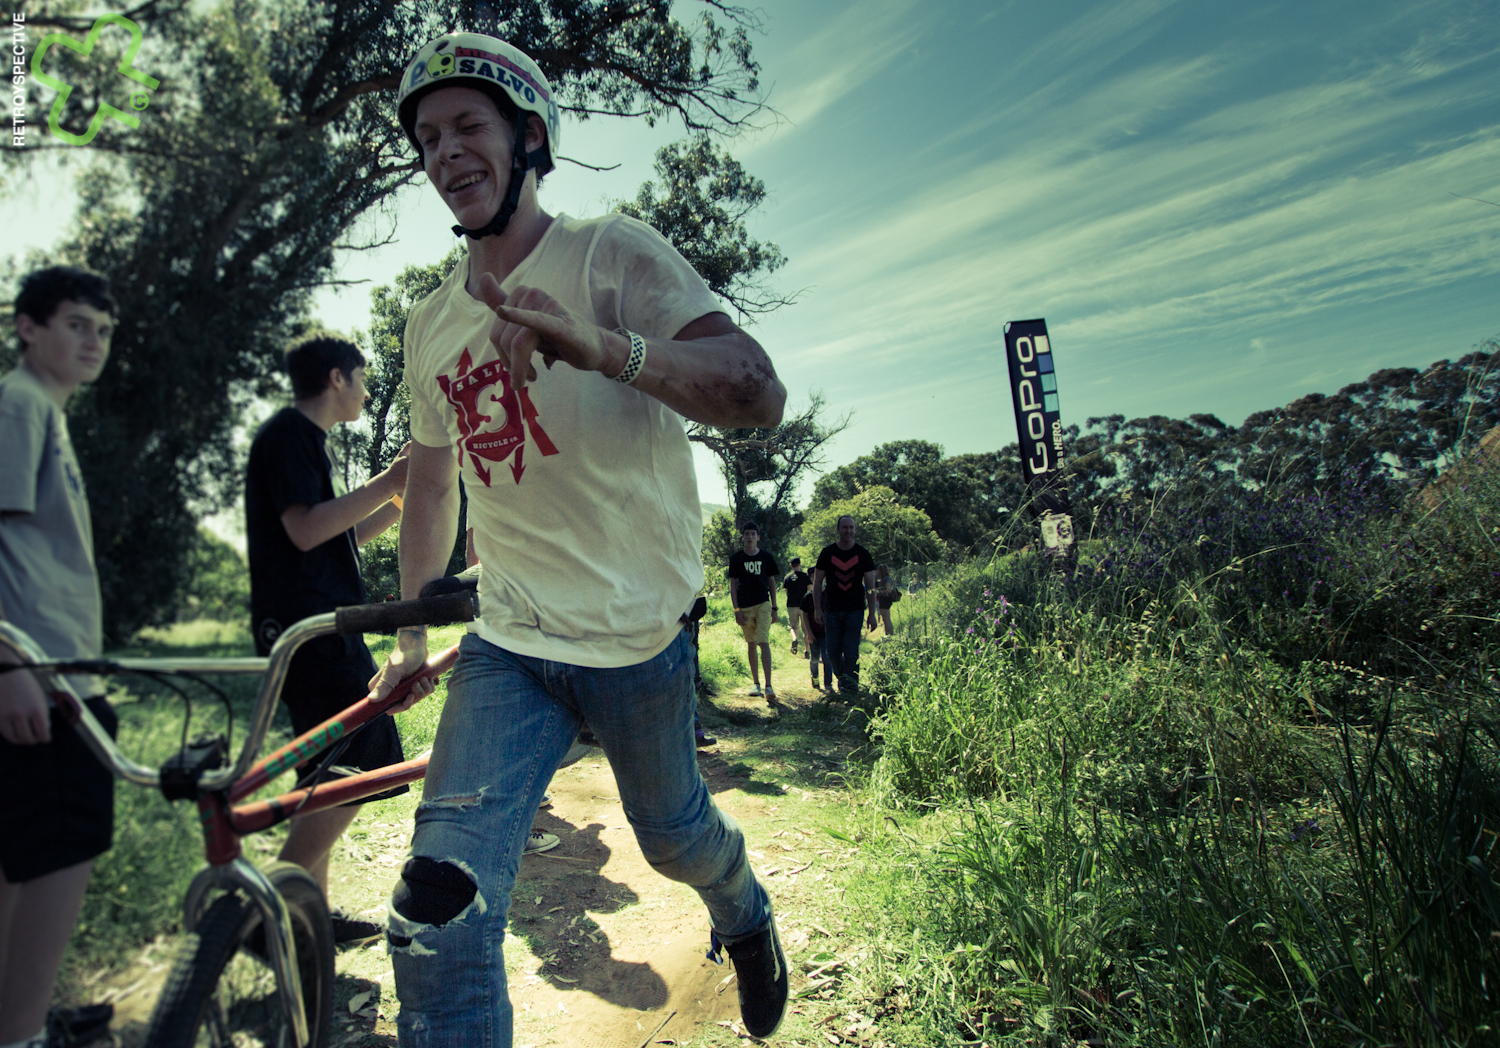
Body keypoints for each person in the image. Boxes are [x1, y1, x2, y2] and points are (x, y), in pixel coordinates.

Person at [370, 32, 789, 1045]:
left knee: (674, 839)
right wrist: (413, 630)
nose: (445, 151)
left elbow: (758, 393)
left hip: (639, 641)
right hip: (510, 645)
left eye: (468, 126)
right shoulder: (431, 325)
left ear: (529, 137)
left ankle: (745, 913)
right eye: (427, 138)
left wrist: (602, 347)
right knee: (435, 909)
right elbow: (431, 486)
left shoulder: (613, 253)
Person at [245, 334, 431, 944]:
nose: (367, 391)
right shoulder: (288, 435)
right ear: (335, 378)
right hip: (310, 633)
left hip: (320, 628)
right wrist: (389, 478)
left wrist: (398, 499)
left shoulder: (304, 442)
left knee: (327, 773)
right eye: (363, 378)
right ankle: (267, 911)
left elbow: (335, 538)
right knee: (355, 765)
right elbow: (304, 532)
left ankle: (309, 917)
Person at [0, 266, 120, 1048]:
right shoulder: (18, 403)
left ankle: (16, 1026)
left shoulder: (43, 410)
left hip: (54, 673)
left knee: (20, 863)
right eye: (77, 324)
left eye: (103, 331)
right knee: (59, 857)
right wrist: (8, 662)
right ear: (29, 327)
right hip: (36, 677)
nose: (93, 341)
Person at [812, 515, 877, 696]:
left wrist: (872, 614)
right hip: (831, 610)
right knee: (832, 653)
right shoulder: (827, 553)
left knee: (851, 653)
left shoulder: (863, 554)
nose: (848, 531)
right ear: (838, 529)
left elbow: (871, 586)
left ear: (855, 530)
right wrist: (818, 608)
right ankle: (845, 680)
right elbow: (817, 583)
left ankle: (850, 692)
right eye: (845, 527)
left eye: (851, 528)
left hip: (855, 611)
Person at [727, 521, 779, 701]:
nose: (750, 537)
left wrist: (774, 608)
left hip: (763, 604)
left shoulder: (766, 557)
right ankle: (755, 683)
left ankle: (769, 685)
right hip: (745, 607)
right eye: (747, 534)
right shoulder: (736, 559)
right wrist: (736, 610)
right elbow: (732, 585)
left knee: (763, 642)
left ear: (758, 537)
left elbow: (772, 583)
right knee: (751, 643)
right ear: (742, 537)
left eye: (753, 534)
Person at [800, 585, 831, 692]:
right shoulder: (808, 597)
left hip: (827, 634)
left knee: (827, 658)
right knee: (814, 659)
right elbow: (804, 615)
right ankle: (815, 678)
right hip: (813, 633)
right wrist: (809, 633)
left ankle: (828, 684)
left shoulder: (829, 594)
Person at [782, 556, 810, 655]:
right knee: (805, 629)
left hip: (791, 605)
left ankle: (794, 639)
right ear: (800, 564)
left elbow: (787, 592)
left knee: (793, 627)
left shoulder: (787, 577)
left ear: (791, 566)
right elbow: (810, 590)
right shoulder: (805, 576)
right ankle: (807, 650)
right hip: (803, 606)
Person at [873, 563, 900, 637]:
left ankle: (889, 634)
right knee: (886, 618)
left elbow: (889, 590)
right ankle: (889, 633)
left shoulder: (886, 579)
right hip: (883, 599)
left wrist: (880, 592)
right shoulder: (883, 579)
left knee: (886, 618)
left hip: (885, 599)